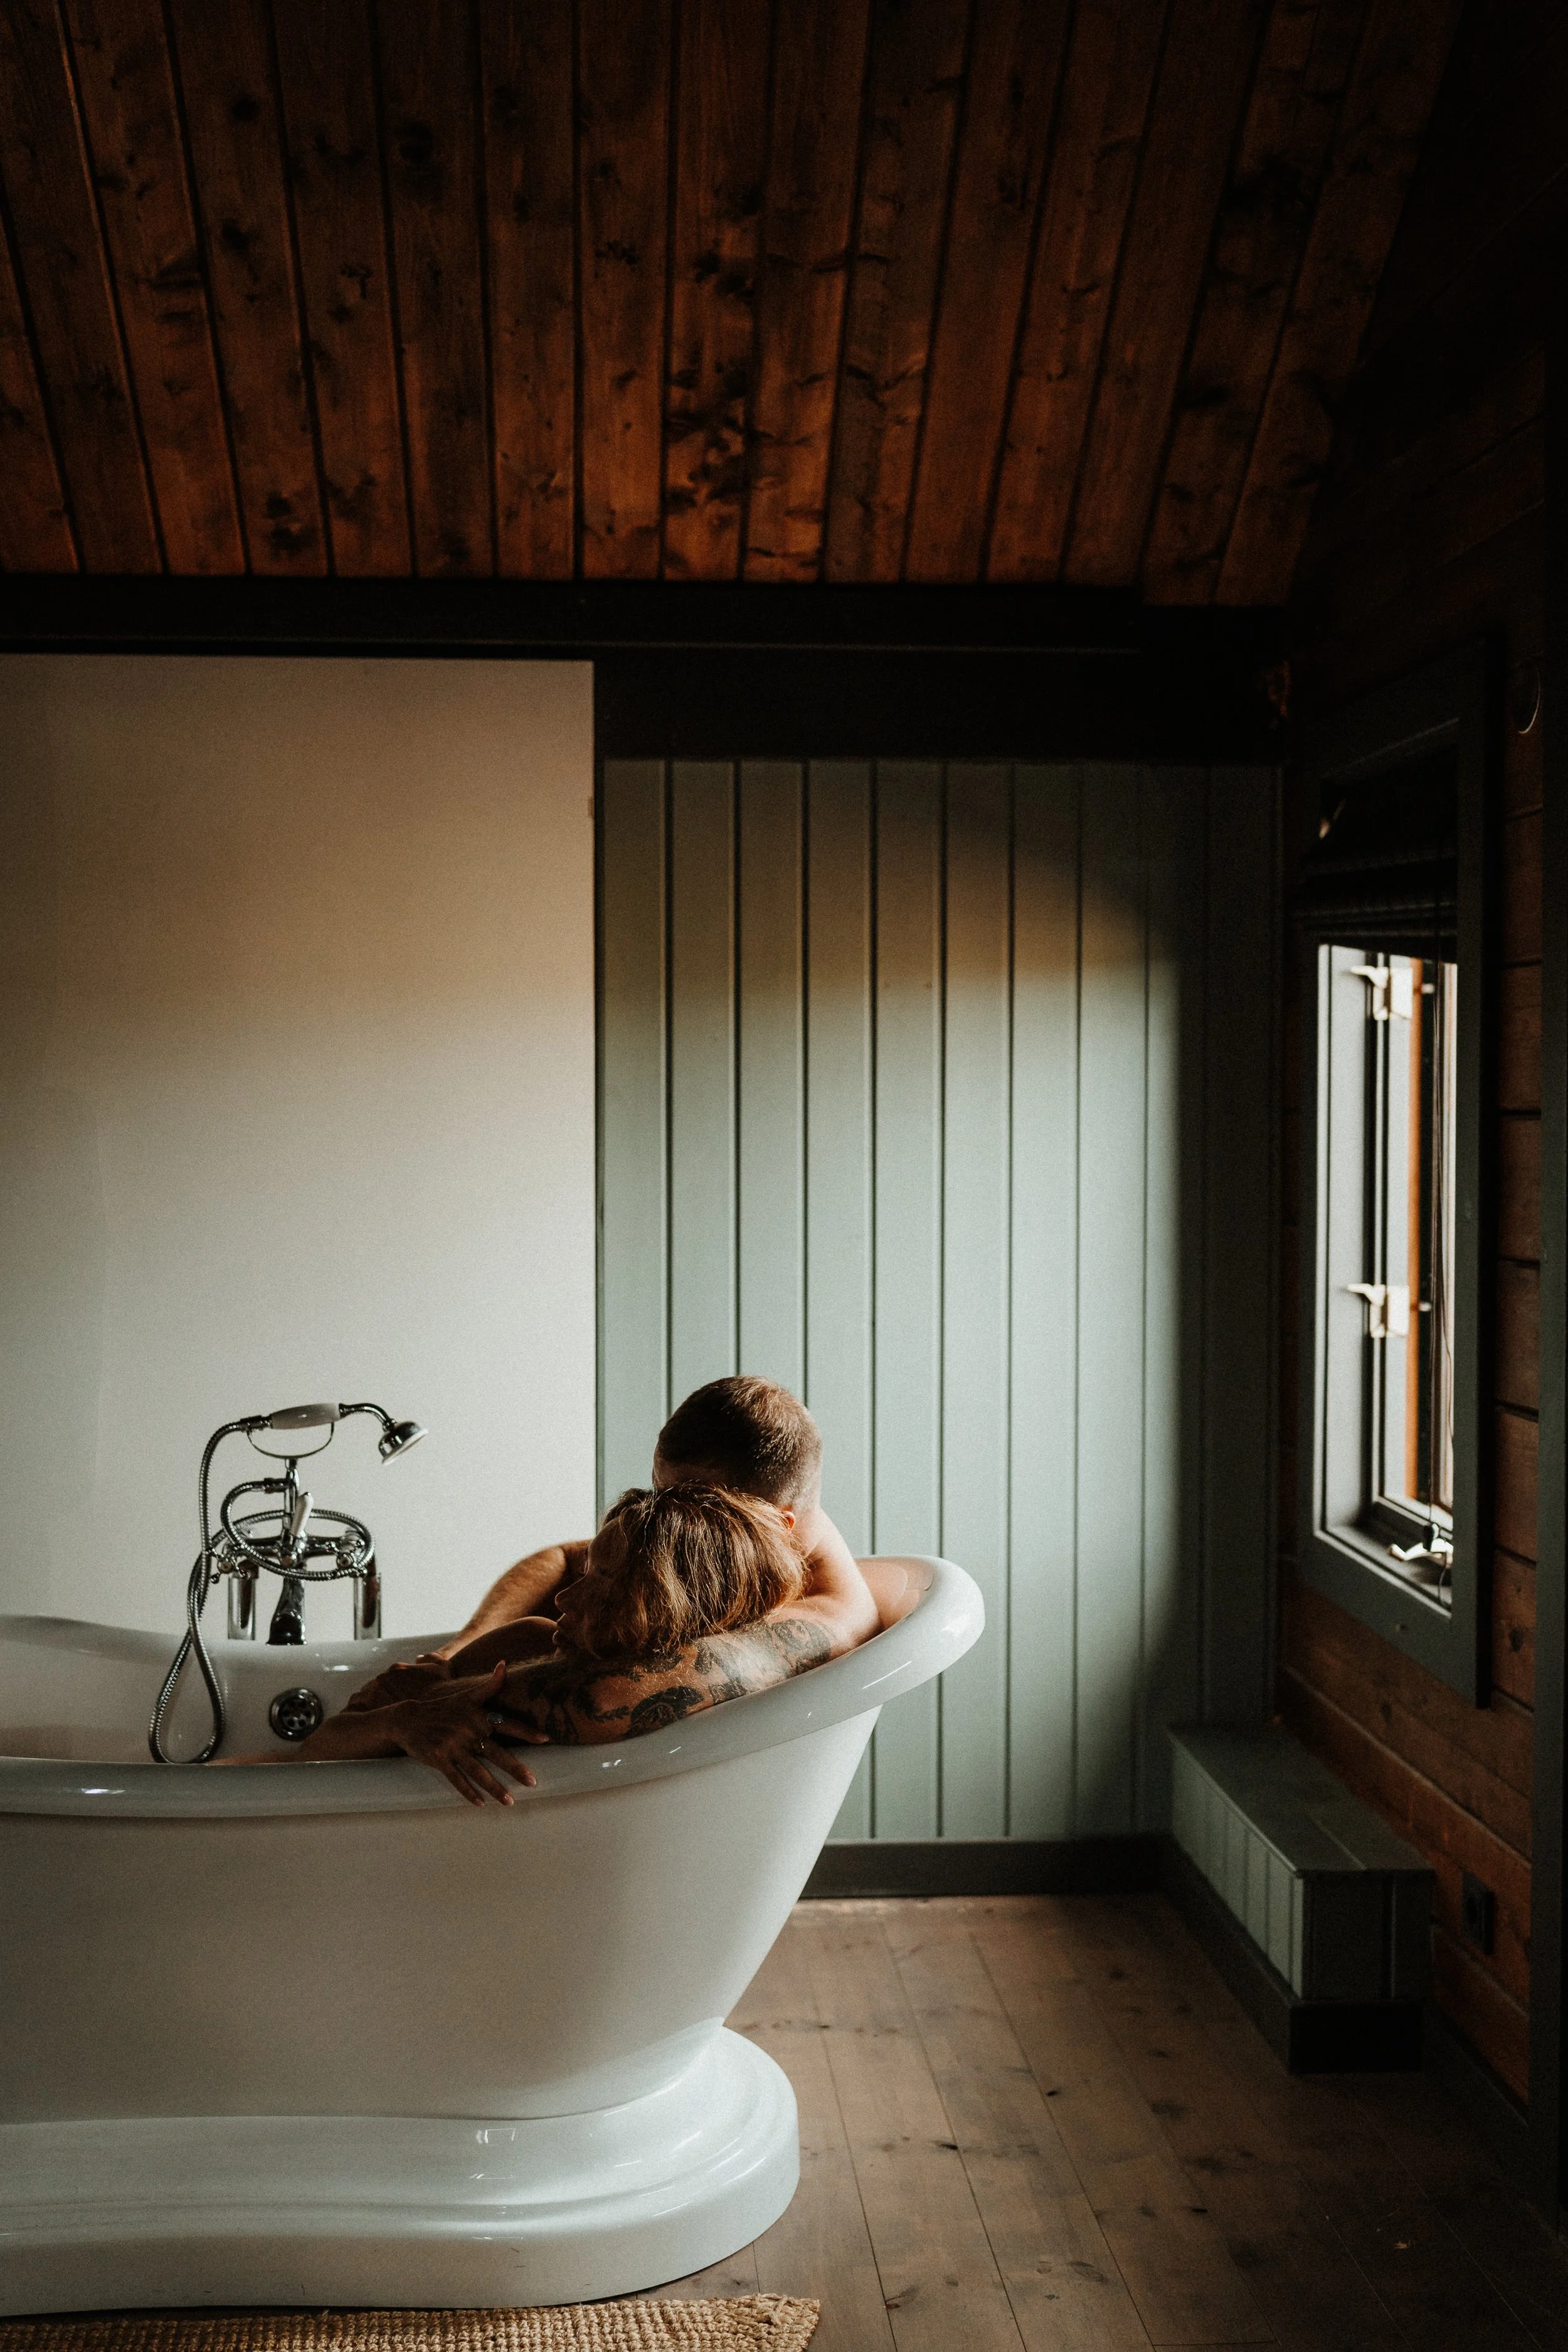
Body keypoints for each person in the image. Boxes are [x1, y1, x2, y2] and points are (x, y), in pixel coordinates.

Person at [253, 1378, 883, 1805]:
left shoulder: (823, 1619)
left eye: (686, 1501)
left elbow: (607, 1695)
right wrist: (456, 1652)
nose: (665, 1516)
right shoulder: (715, 1560)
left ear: (779, 1522)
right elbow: (564, 1559)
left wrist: (436, 1702)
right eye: (659, 1490)